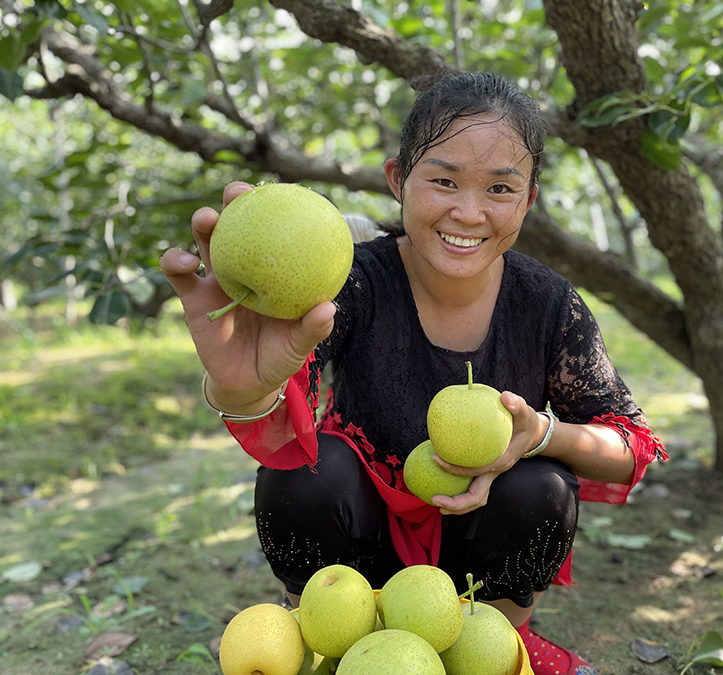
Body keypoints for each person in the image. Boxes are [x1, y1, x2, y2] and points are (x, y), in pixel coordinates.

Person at [160, 72, 666, 675]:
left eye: (500, 188)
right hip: (357, 559)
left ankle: (498, 645)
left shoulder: (547, 302)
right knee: (304, 474)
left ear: (529, 199)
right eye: (444, 180)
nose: (469, 212)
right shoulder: (351, 281)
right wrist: (241, 387)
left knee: (543, 486)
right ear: (399, 180)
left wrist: (541, 437)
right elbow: (280, 423)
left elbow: (629, 441)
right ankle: (330, 638)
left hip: (477, 564)